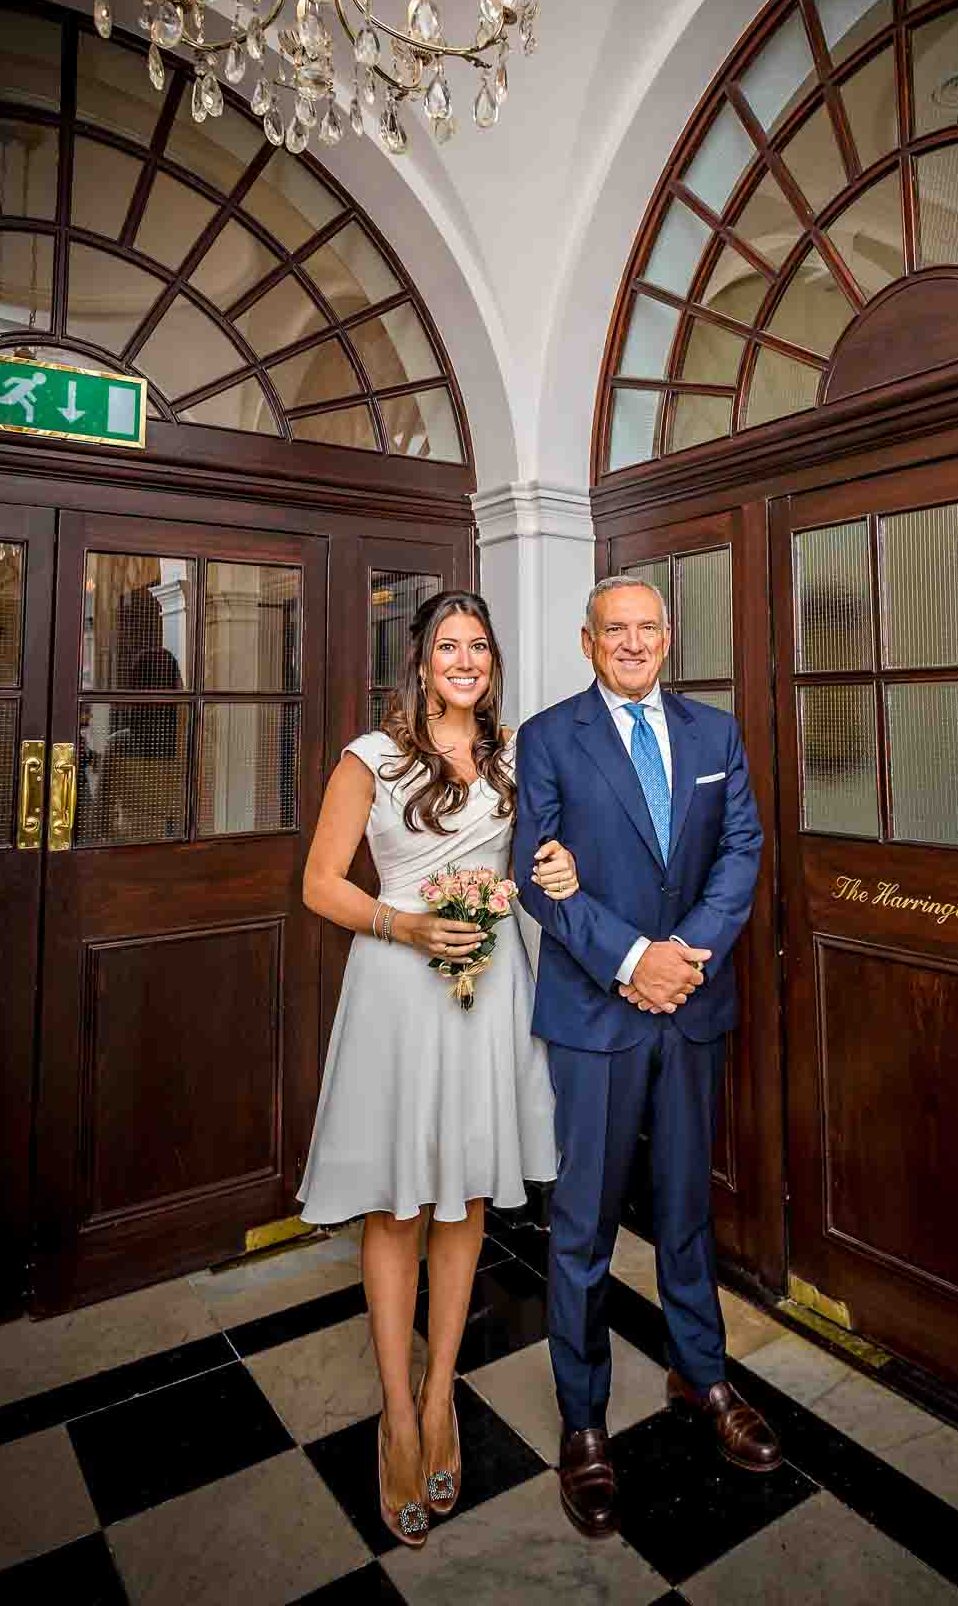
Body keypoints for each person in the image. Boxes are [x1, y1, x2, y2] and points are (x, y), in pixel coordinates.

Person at [298, 589, 578, 1549]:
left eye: (480, 648)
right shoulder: (368, 760)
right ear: (417, 662)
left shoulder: (512, 759)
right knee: (399, 1205)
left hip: (486, 990)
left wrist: (553, 878)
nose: (466, 660)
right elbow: (320, 884)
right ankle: (397, 1413)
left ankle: (444, 1389)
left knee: (463, 1202)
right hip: (398, 992)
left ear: (491, 665)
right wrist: (407, 923)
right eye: (448, 646)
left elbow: (537, 861)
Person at [514, 574, 781, 1539]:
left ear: (670, 637)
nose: (633, 644)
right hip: (597, 1013)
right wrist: (632, 960)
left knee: (684, 1211)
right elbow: (535, 879)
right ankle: (583, 1422)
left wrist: (683, 959)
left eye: (648, 629)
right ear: (587, 642)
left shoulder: (715, 736)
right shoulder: (548, 737)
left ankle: (700, 1376)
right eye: (614, 631)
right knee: (582, 1224)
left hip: (692, 1006)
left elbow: (741, 852)